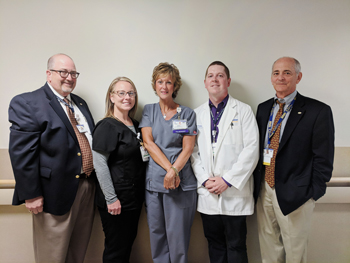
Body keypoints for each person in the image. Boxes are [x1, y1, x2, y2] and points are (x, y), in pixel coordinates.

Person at [8, 53, 95, 263]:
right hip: (52, 193)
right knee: (52, 256)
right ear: (49, 74)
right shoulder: (28, 102)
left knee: (78, 253)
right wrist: (31, 194)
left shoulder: (80, 104)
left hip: (86, 188)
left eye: (73, 73)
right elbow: (21, 153)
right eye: (63, 72)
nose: (69, 77)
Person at [254, 57, 335, 263]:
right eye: (276, 73)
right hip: (265, 190)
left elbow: (323, 158)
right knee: (269, 251)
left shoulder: (318, 111)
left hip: (297, 193)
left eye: (287, 73)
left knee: (295, 254)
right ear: (271, 78)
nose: (281, 77)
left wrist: (312, 193)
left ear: (298, 77)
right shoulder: (263, 109)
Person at [191, 61, 259, 263]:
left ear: (228, 81)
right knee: (215, 245)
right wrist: (205, 180)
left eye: (220, 75)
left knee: (236, 246)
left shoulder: (243, 111)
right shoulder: (196, 114)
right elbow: (192, 151)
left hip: (234, 192)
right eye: (210, 76)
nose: (215, 79)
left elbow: (252, 149)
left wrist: (227, 180)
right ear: (204, 82)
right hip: (209, 192)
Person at [139, 62, 197, 263]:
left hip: (181, 184)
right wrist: (168, 169)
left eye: (169, 82)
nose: (164, 86)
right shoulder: (149, 110)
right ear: (155, 85)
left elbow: (188, 148)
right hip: (155, 183)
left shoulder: (187, 114)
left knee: (178, 236)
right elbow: (148, 142)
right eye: (160, 81)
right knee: (157, 233)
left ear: (175, 86)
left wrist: (174, 171)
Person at [92, 77, 146, 263]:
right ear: (111, 97)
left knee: (126, 246)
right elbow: (99, 164)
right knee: (116, 249)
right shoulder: (107, 126)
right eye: (121, 93)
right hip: (116, 201)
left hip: (133, 198)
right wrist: (111, 198)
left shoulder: (137, 125)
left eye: (131, 93)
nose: (127, 97)